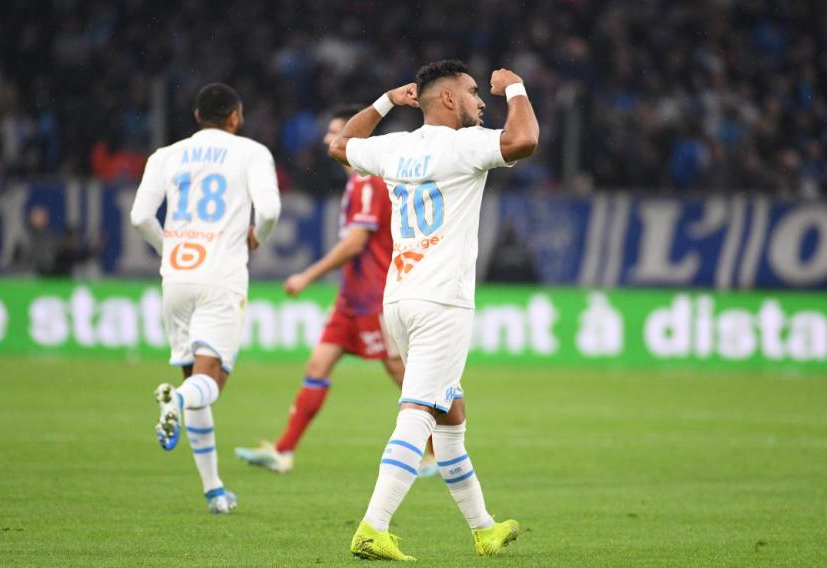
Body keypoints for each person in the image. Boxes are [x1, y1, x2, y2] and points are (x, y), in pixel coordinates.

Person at [328, 60, 539, 560]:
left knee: (451, 413)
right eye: (471, 92)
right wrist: (516, 88)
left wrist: (384, 101)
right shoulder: (464, 145)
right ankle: (373, 526)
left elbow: (339, 147)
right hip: (442, 301)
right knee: (420, 411)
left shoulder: (395, 147)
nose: (480, 101)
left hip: (399, 299)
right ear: (447, 100)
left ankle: (483, 527)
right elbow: (525, 139)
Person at [234, 106, 437, 476]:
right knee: (317, 364)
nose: (328, 139)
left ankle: (439, 453)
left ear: (356, 138)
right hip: (351, 299)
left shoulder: (367, 182)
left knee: (402, 373)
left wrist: (306, 277)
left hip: (374, 298)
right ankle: (283, 452)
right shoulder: (356, 182)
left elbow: (356, 243)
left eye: (335, 132)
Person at [129, 83, 281, 514]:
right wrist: (256, 238)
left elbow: (140, 217)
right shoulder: (252, 152)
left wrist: (169, 249)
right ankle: (174, 402)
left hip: (175, 277)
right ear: (235, 116)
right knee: (209, 382)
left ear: (198, 117)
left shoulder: (165, 156)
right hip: (221, 276)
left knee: (193, 378)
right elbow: (268, 212)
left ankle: (214, 491)